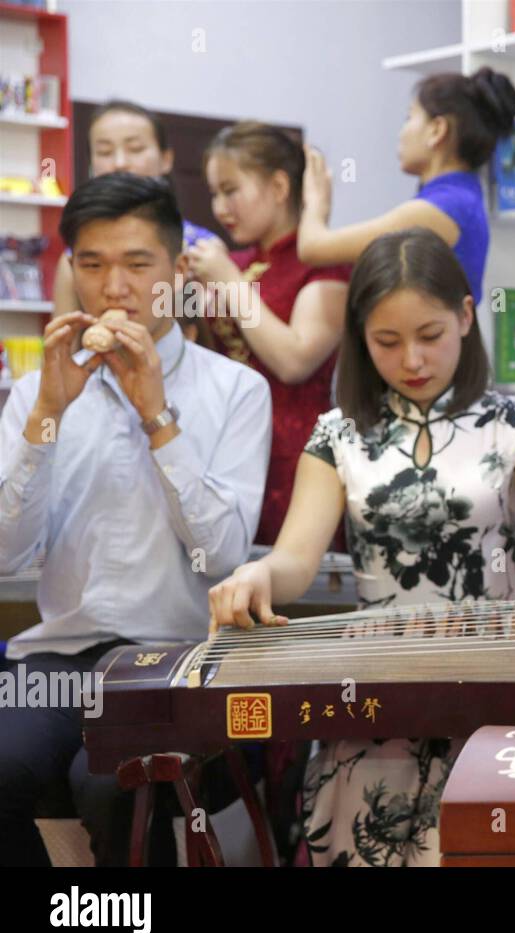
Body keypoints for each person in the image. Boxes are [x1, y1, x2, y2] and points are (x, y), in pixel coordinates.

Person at [206, 228, 515, 866]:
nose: (411, 360)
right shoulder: (339, 433)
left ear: (465, 317)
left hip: (500, 686)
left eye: (430, 336)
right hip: (379, 691)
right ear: (359, 336)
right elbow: (297, 558)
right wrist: (260, 574)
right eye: (386, 341)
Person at [0, 173, 271, 865]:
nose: (113, 286)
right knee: (6, 765)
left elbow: (224, 552)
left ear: (178, 270)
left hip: (177, 659)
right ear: (71, 270)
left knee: (110, 788)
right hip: (58, 657)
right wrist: (45, 421)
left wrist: (158, 417)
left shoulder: (237, 388)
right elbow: (5, 556)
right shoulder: (37, 390)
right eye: (91, 264)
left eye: (137, 264)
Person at [186, 122, 350, 547]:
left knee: (286, 590)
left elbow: (295, 361)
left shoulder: (323, 263)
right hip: (224, 441)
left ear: (279, 186)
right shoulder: (230, 261)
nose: (220, 207)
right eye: (213, 193)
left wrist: (229, 281)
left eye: (230, 189)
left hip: (293, 453)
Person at [296, 66, 515, 307]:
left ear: (437, 130)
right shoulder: (460, 197)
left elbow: (312, 249)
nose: (402, 132)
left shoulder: (443, 207)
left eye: (409, 117)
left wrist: (316, 200)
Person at [52, 100, 217, 325]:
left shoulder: (206, 250)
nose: (120, 163)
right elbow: (65, 341)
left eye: (135, 149)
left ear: (166, 159)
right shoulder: (74, 257)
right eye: (104, 151)